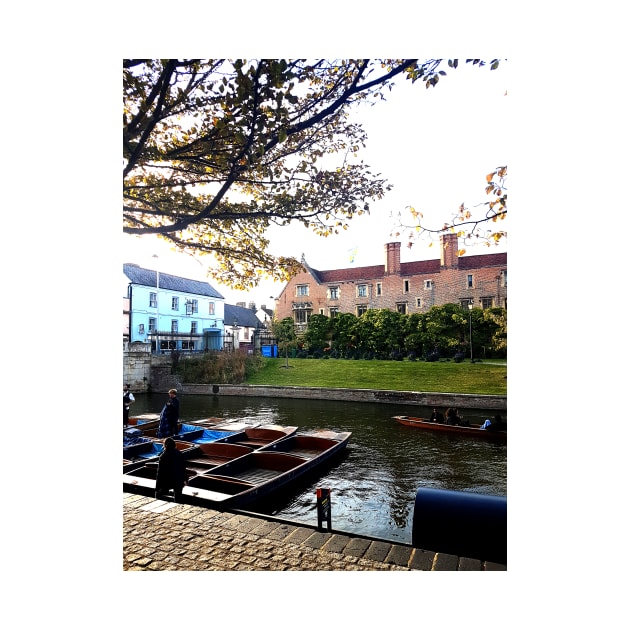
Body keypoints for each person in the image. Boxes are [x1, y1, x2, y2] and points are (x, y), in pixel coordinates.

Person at [155, 437, 188, 502]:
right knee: (178, 496)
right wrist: (185, 479)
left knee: (159, 494)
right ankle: (177, 503)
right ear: (174, 445)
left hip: (168, 480)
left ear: (165, 446)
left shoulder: (163, 456)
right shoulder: (179, 454)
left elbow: (160, 472)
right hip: (178, 480)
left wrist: (157, 487)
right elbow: (183, 468)